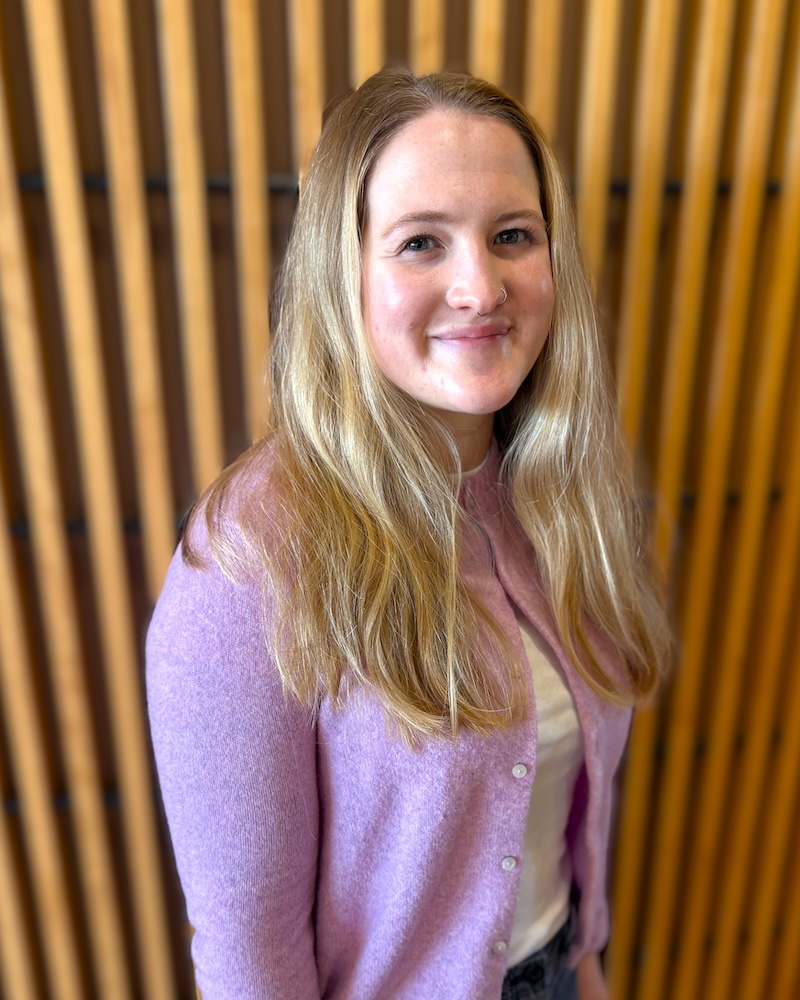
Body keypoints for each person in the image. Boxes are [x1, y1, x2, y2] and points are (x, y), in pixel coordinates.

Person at [146, 67, 670, 1000]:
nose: (480, 286)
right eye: (421, 242)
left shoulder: (560, 493)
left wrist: (584, 966)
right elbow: (248, 957)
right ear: (341, 272)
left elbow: (562, 821)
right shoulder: (245, 567)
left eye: (513, 236)